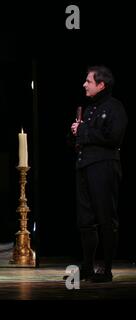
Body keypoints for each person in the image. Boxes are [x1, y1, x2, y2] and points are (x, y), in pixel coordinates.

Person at [70, 65, 127, 282]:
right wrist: (76, 132)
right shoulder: (89, 108)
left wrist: (83, 130)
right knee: (85, 220)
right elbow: (84, 140)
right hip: (85, 166)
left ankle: (107, 268)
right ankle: (87, 266)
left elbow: (114, 137)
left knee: (106, 219)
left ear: (101, 85)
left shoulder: (115, 107)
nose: (84, 84)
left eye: (89, 81)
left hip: (104, 167)